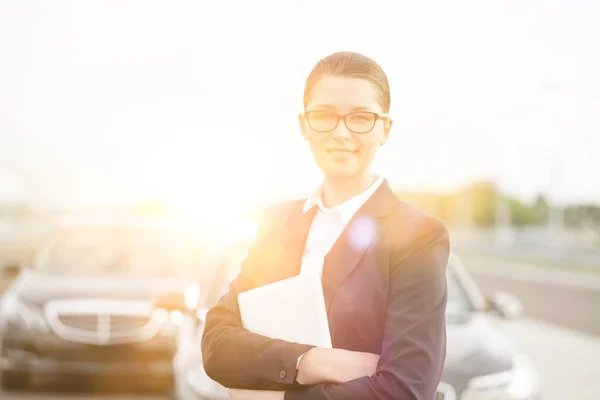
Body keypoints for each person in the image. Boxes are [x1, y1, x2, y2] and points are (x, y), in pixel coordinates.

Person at [201, 51, 450, 400]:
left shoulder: (417, 236)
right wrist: (313, 361)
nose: (341, 132)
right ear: (304, 124)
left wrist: (278, 397)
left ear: (385, 129)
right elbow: (216, 345)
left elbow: (406, 389)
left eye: (361, 117)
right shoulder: (277, 224)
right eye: (324, 116)